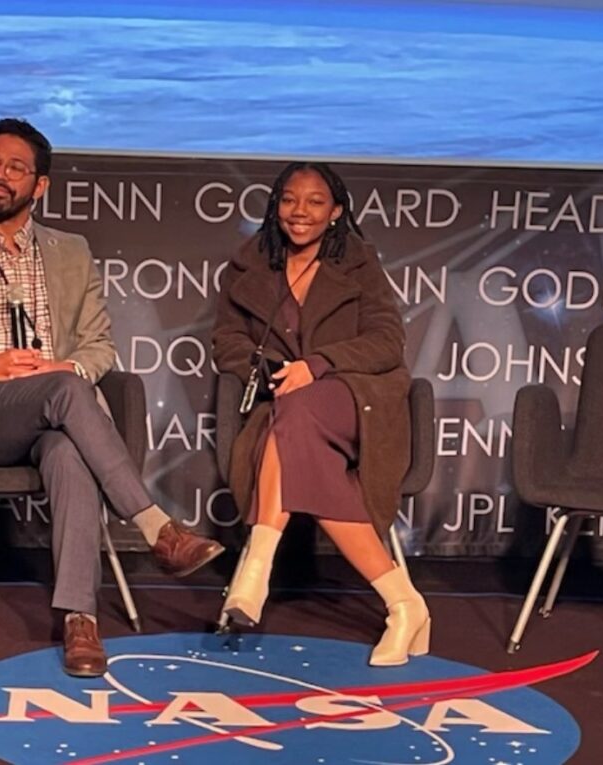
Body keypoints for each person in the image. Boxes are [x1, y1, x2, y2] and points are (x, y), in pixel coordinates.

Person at [0, 118, 224, 677]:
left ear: (40, 185)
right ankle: (154, 527)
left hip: (58, 413)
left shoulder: (71, 252)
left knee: (69, 449)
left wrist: (62, 368)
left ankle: (80, 620)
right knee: (69, 392)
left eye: (15, 168)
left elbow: (99, 345)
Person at [212, 161, 429, 666]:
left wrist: (318, 364)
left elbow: (386, 343)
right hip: (284, 404)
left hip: (358, 396)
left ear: (335, 212)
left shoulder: (358, 263)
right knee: (297, 428)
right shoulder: (250, 264)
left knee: (300, 413)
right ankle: (404, 603)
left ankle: (255, 566)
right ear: (275, 205)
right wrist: (265, 368)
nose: (300, 212)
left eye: (314, 201)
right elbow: (226, 342)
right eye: (289, 199)